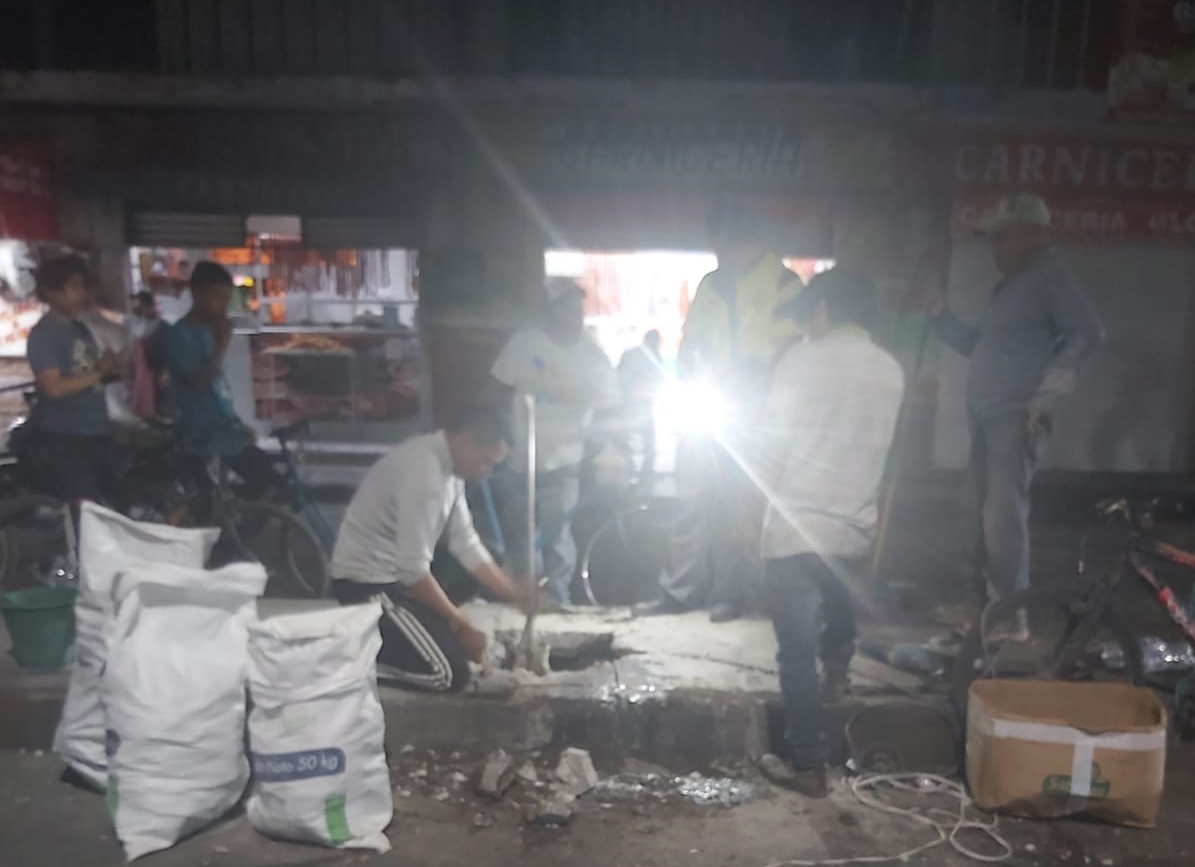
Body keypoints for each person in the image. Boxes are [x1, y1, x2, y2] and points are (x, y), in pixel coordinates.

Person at [755, 269, 905, 798]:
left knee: (794, 651)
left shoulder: (799, 360)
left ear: (823, 311)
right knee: (838, 607)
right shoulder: (890, 370)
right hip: (853, 529)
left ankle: (808, 764)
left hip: (796, 527)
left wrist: (754, 511)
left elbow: (771, 449)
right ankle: (839, 669)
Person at [931, 193, 1103, 638]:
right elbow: (981, 347)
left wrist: (1043, 399)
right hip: (988, 418)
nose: (995, 248)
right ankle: (978, 607)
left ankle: (1010, 616)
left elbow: (1086, 332)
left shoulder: (1049, 276)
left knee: (1001, 519)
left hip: (1013, 417)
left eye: (1002, 237)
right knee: (972, 512)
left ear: (1033, 234)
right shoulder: (1011, 287)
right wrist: (940, 320)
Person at [635, 202, 804, 622]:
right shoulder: (711, 283)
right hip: (707, 405)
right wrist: (691, 368)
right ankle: (678, 592)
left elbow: (784, 351)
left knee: (736, 507)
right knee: (689, 501)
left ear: (748, 241)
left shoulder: (783, 283)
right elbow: (691, 337)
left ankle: (731, 594)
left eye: (724, 246)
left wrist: (747, 381)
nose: (719, 255)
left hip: (751, 414)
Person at [331, 407, 527, 693]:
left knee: (490, 554)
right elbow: (413, 571)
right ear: (464, 443)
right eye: (486, 461)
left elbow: (465, 542)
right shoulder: (426, 475)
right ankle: (351, 664)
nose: (487, 472)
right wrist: (461, 622)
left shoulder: (451, 469)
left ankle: (420, 631)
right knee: (447, 674)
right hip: (368, 585)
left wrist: (511, 592)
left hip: (402, 576)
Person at [490, 277, 618, 605]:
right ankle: (527, 599)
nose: (572, 314)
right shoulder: (524, 344)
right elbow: (498, 391)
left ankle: (558, 600)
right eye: (564, 306)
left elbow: (611, 408)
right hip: (520, 460)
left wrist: (599, 450)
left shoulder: (594, 358)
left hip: (565, 463)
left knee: (558, 537)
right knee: (522, 538)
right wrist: (501, 438)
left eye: (577, 307)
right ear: (551, 310)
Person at [160, 261, 281, 501]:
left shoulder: (209, 331)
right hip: (200, 436)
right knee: (209, 505)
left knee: (269, 482)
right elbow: (200, 383)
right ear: (196, 293)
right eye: (216, 298)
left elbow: (219, 390)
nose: (221, 308)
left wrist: (237, 422)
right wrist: (222, 343)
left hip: (224, 431)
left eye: (226, 300)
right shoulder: (181, 334)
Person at [24, 255, 124, 505]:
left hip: (96, 430)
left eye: (82, 286)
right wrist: (99, 372)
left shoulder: (79, 330)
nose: (81, 293)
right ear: (51, 292)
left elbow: (86, 376)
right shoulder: (45, 334)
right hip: (68, 437)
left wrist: (111, 368)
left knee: (110, 507)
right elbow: (54, 388)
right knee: (85, 512)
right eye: (74, 287)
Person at [616, 330, 665, 479]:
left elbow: (619, 374)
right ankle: (644, 471)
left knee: (627, 436)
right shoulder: (655, 358)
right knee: (646, 436)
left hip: (630, 401)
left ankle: (632, 468)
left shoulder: (632, 354)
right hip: (639, 402)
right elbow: (658, 380)